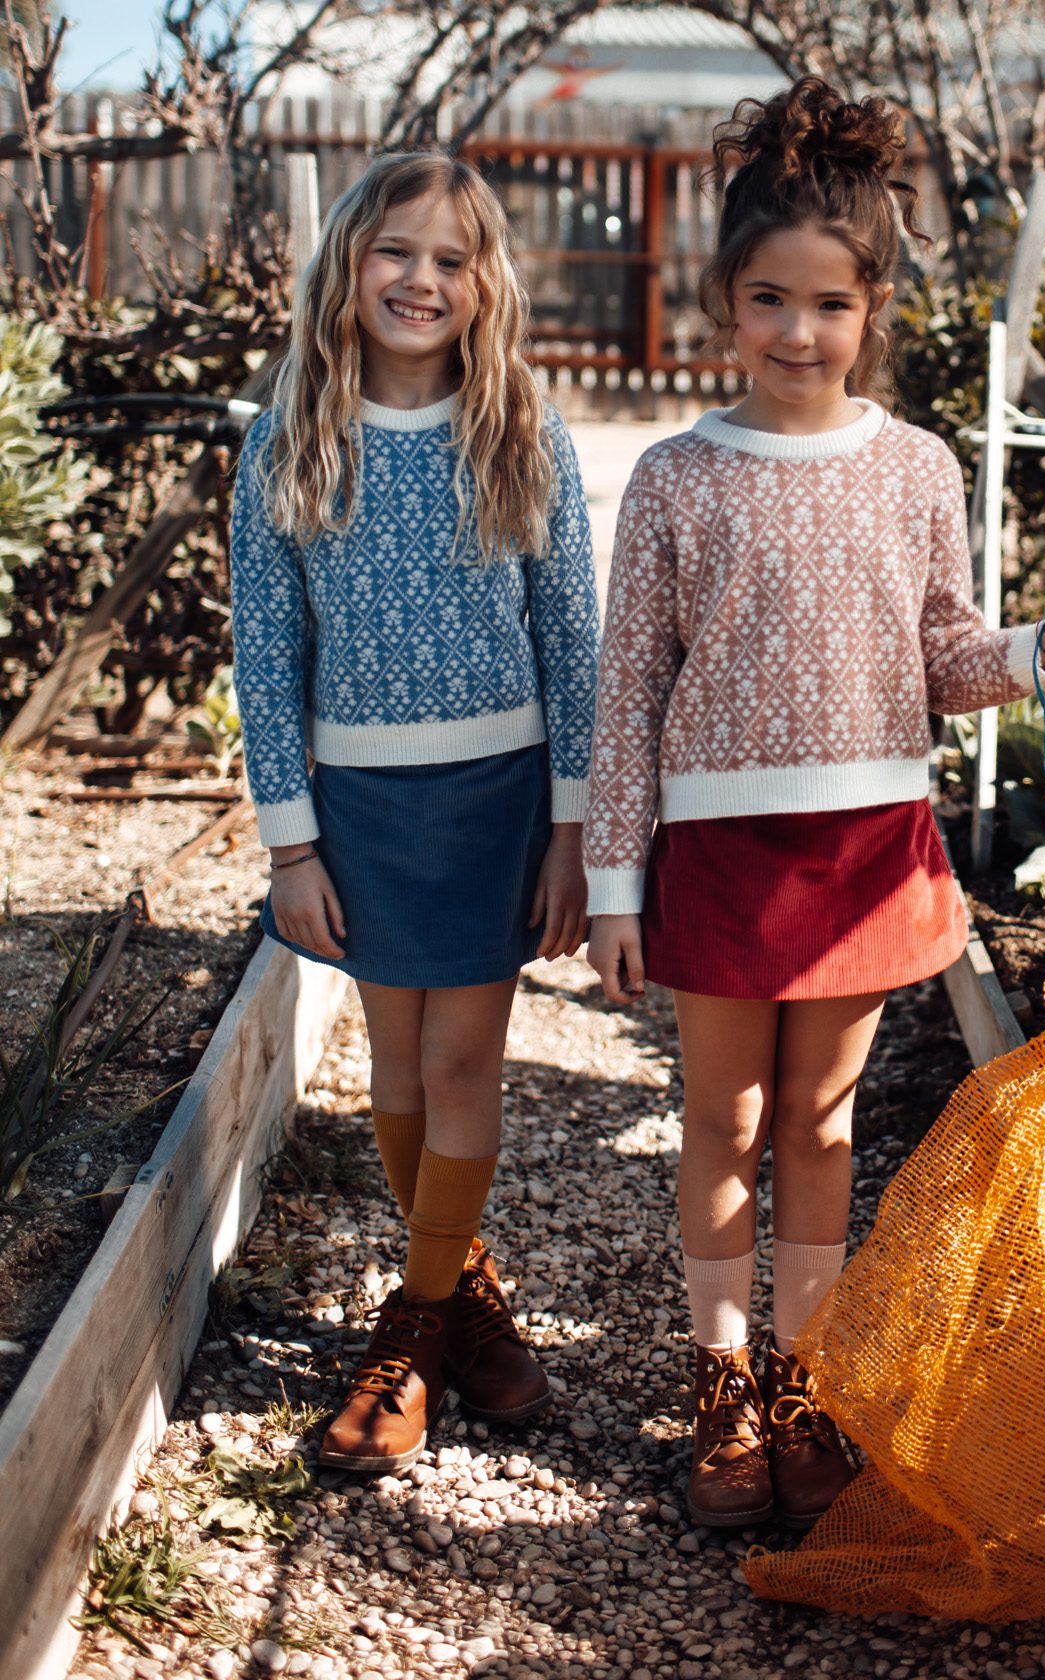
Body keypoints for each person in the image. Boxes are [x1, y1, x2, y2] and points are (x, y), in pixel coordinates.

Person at [583, 79, 1045, 1530]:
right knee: (722, 1120)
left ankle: (805, 1381)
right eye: (769, 299)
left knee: (821, 1127)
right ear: (725, 302)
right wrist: (617, 887)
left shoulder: (917, 467)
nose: (798, 332)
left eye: (830, 303)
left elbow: (944, 655)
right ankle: (721, 1380)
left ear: (873, 307)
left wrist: (1044, 644)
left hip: (868, 847)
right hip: (719, 854)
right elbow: (627, 693)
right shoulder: (676, 479)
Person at [230, 151, 599, 1474]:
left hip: (499, 801)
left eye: (451, 259)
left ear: (484, 285)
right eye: (396, 251)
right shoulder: (289, 436)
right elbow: (265, 651)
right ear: (347, 264)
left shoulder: (519, 429)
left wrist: (574, 833)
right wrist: (290, 843)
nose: (421, 279)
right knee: (394, 1071)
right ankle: (461, 1292)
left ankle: (413, 1327)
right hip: (362, 809)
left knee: (457, 1068)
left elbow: (573, 640)